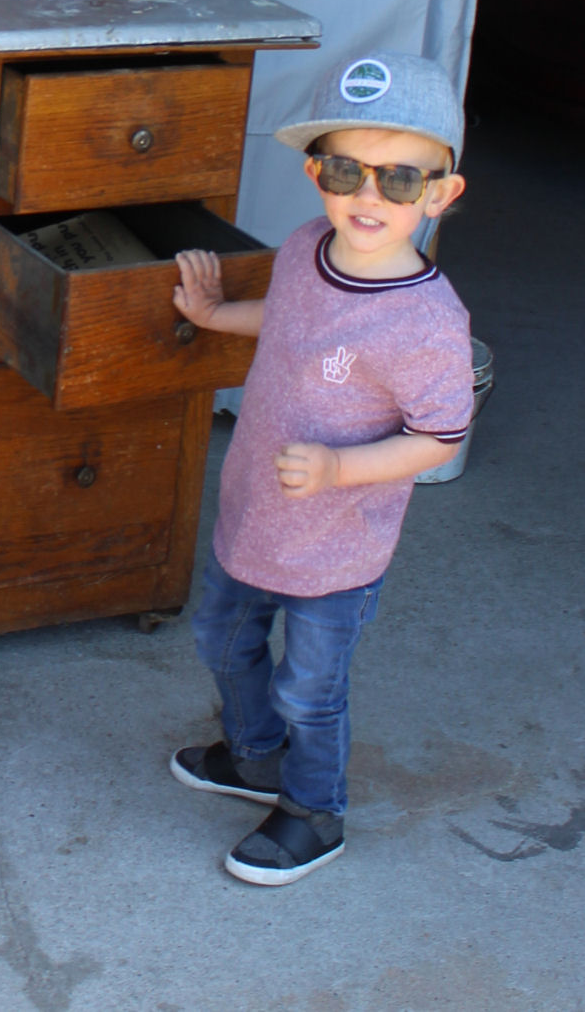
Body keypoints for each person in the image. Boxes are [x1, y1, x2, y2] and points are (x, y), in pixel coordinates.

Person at [168, 50, 474, 886]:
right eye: (346, 169)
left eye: (401, 180)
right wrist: (213, 312)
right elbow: (286, 317)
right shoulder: (308, 246)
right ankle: (255, 756)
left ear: (441, 192)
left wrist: (340, 469)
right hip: (257, 511)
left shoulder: (427, 323)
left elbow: (440, 436)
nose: (368, 195)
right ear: (316, 174)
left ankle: (312, 809)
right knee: (221, 639)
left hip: (337, 546)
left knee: (310, 685)